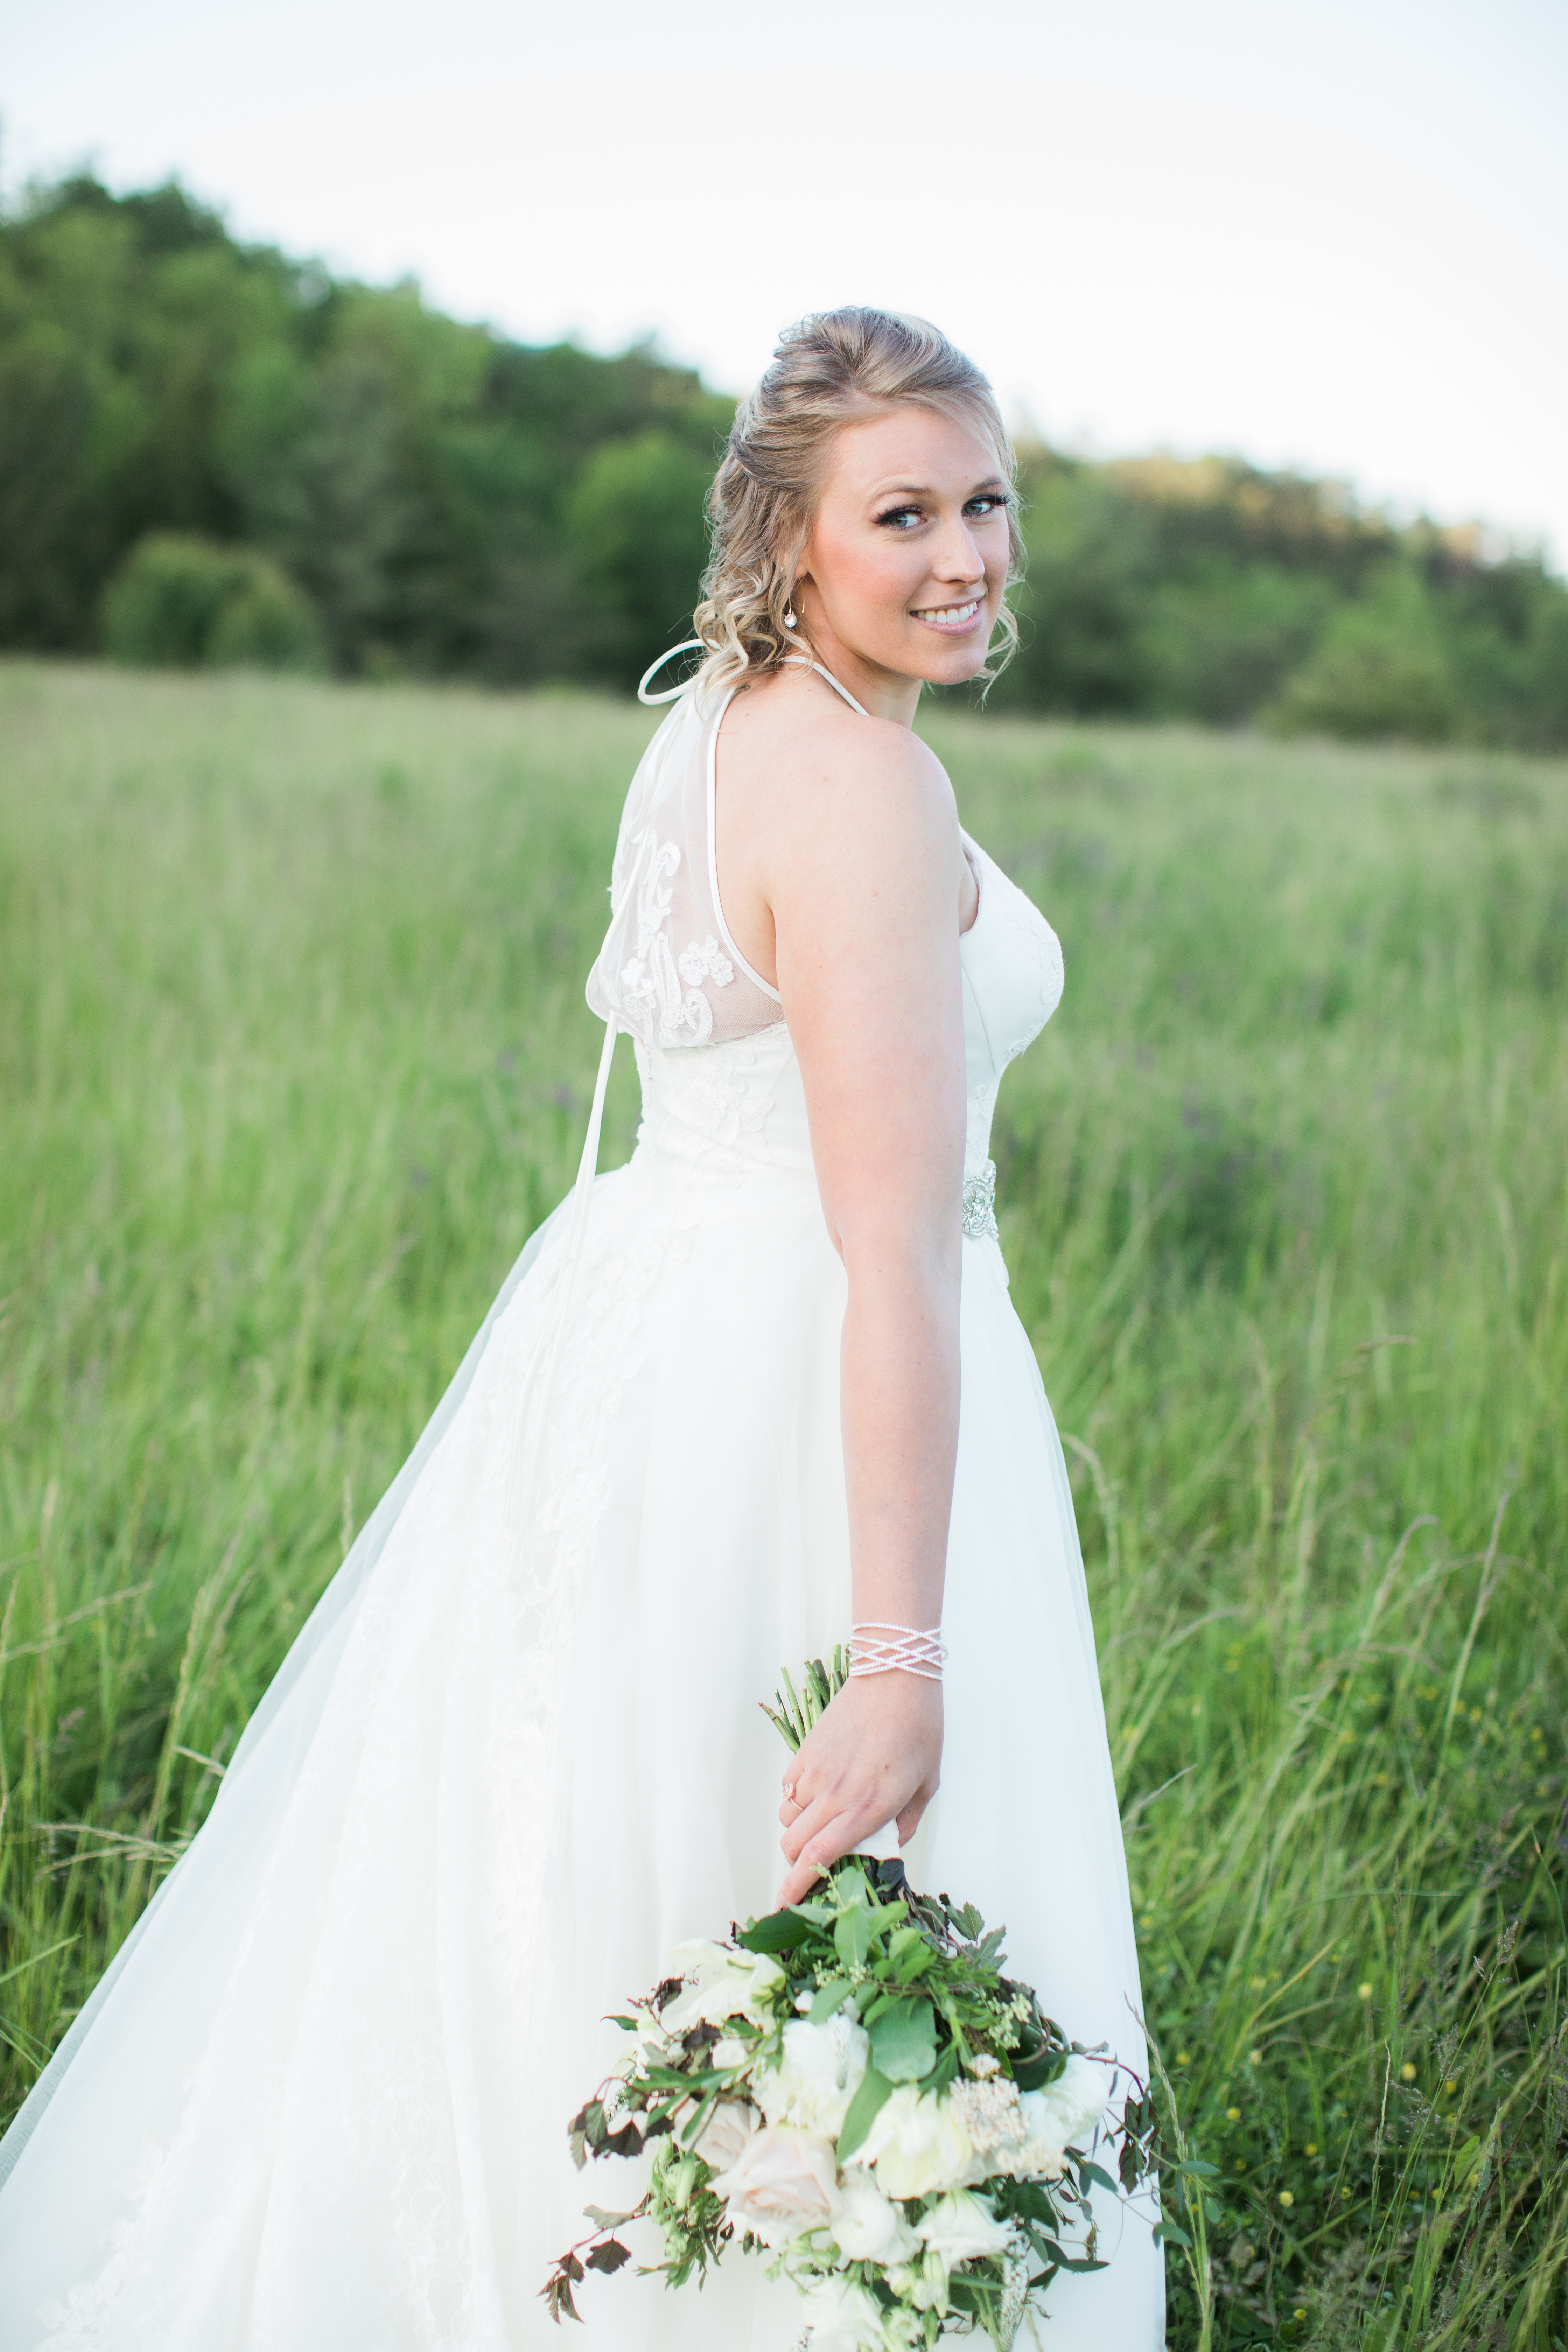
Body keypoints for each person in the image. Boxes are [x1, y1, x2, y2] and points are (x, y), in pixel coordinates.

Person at [0, 308, 1163, 2349]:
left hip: (641, 1366)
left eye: (988, 501)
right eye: (905, 512)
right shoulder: (870, 795)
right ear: (789, 534)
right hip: (808, 1393)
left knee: (593, 1881)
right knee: (772, 1878)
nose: (970, 553)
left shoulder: (727, 718)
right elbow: (887, 1248)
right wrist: (896, 1657)